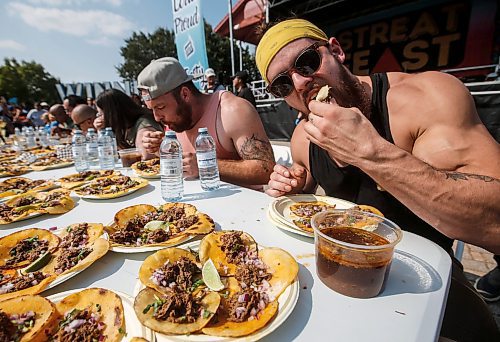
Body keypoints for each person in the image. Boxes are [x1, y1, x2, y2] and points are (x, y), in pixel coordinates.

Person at [257, 18, 500, 341]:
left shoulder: (424, 100)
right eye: (283, 85)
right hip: (343, 288)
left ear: (336, 51)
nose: (301, 82)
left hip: (429, 291)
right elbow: (309, 195)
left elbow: (495, 221)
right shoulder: (304, 137)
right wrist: (293, 185)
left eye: (307, 62)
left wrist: (372, 153)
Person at [137, 57, 275, 189]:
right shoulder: (175, 120)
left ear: (184, 94)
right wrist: (159, 149)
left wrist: (205, 165)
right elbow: (186, 162)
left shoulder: (232, 110)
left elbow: (266, 169)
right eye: (152, 109)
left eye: (160, 107)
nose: (156, 117)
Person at [94, 89, 163, 160]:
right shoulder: (125, 127)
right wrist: (101, 130)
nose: (100, 118)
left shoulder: (144, 124)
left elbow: (146, 157)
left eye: (101, 114)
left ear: (112, 113)